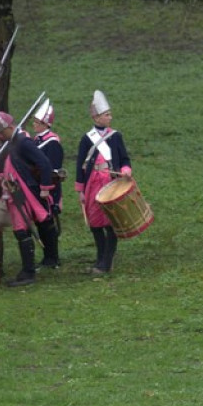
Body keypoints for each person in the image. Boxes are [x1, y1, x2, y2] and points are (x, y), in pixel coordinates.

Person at [0, 111, 54, 287]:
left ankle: (28, 272)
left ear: (8, 127)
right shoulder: (14, 141)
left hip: (23, 192)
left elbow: (44, 163)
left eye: (1, 131)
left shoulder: (23, 141)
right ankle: (26, 270)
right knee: (20, 230)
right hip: (14, 191)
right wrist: (1, 177)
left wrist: (45, 188)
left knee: (22, 231)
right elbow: (14, 166)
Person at [76, 91, 132, 274]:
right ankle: (100, 258)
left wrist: (125, 171)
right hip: (93, 183)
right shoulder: (87, 138)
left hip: (111, 182)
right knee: (95, 223)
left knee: (110, 223)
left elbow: (124, 159)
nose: (110, 117)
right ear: (96, 117)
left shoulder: (116, 136)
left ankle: (106, 262)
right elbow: (80, 165)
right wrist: (80, 189)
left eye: (109, 114)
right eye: (106, 115)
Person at [32, 99, 64, 269]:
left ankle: (53, 257)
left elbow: (54, 170)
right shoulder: (36, 140)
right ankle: (47, 256)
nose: (34, 125)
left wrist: (50, 189)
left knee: (48, 224)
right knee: (40, 223)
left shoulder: (52, 143)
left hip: (49, 188)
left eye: (37, 122)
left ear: (46, 124)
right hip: (37, 186)